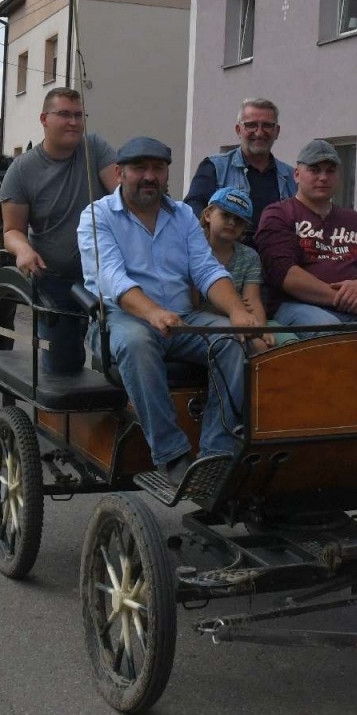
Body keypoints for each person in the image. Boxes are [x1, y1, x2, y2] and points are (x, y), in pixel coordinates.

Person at [78, 137, 264, 482]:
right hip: (124, 319)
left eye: (158, 169)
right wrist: (152, 312)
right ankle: (171, 455)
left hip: (183, 319)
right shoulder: (97, 215)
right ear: (120, 173)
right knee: (137, 343)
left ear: (166, 174)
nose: (150, 176)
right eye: (140, 168)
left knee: (234, 341)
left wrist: (238, 312)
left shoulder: (183, 216)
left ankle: (217, 454)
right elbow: (110, 277)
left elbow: (207, 270)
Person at [0, 87, 119, 374]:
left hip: (107, 275)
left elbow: (122, 196)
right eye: (64, 114)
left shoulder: (94, 148)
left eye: (79, 115)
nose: (74, 122)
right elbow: (12, 231)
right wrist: (23, 249)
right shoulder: (21, 170)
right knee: (61, 365)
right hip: (55, 280)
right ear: (44, 118)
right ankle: (58, 418)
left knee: (115, 358)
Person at [255, 138, 357, 330]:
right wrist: (351, 301)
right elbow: (284, 274)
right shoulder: (278, 214)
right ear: (296, 174)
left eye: (330, 170)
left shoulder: (353, 219)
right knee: (332, 333)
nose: (323, 177)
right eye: (314, 169)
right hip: (297, 306)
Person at [183, 98, 296, 243]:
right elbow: (193, 207)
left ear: (277, 131)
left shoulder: (291, 177)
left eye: (267, 125)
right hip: (227, 259)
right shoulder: (215, 167)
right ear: (238, 130)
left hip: (277, 259)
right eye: (251, 125)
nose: (259, 132)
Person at [193, 187, 274, 354]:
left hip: (239, 318)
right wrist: (234, 307)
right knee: (240, 341)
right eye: (225, 215)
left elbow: (252, 300)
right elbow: (193, 303)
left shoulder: (249, 256)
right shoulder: (194, 246)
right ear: (208, 215)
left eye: (239, 220)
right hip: (199, 320)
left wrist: (261, 329)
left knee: (265, 345)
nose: (231, 222)